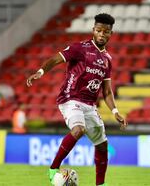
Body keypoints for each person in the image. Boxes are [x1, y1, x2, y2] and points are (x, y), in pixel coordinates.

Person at [26, 13, 127, 186]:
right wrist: (40, 72)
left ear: (111, 33)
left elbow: (107, 91)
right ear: (93, 30)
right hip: (70, 98)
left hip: (90, 105)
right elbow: (55, 59)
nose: (102, 34)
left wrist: (115, 111)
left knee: (102, 145)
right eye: (99, 30)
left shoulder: (107, 60)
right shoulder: (80, 48)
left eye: (106, 31)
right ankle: (53, 168)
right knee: (79, 129)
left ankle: (100, 184)